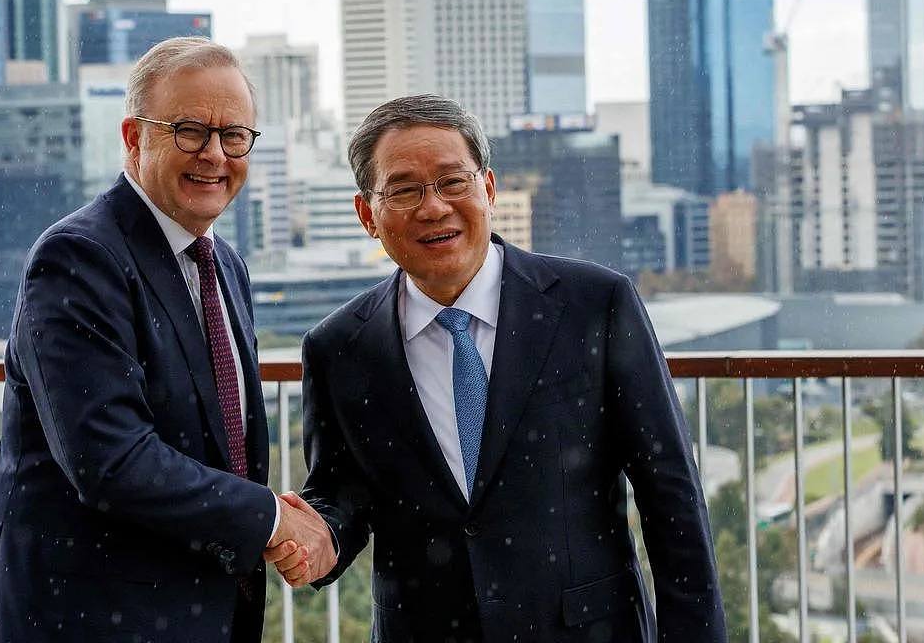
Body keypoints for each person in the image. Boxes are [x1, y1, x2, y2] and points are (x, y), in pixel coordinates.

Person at [284, 94, 725, 642]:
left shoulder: (595, 304)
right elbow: (343, 491)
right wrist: (317, 531)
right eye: (403, 189)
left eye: (453, 182)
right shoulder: (338, 347)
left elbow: (671, 495)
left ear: (488, 189)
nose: (434, 207)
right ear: (367, 215)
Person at [0, 37, 333, 643]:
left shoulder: (226, 267)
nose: (215, 154)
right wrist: (270, 520)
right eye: (189, 131)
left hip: (200, 614)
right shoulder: (80, 256)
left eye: (235, 136)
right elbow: (109, 458)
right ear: (134, 138)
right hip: (88, 619)